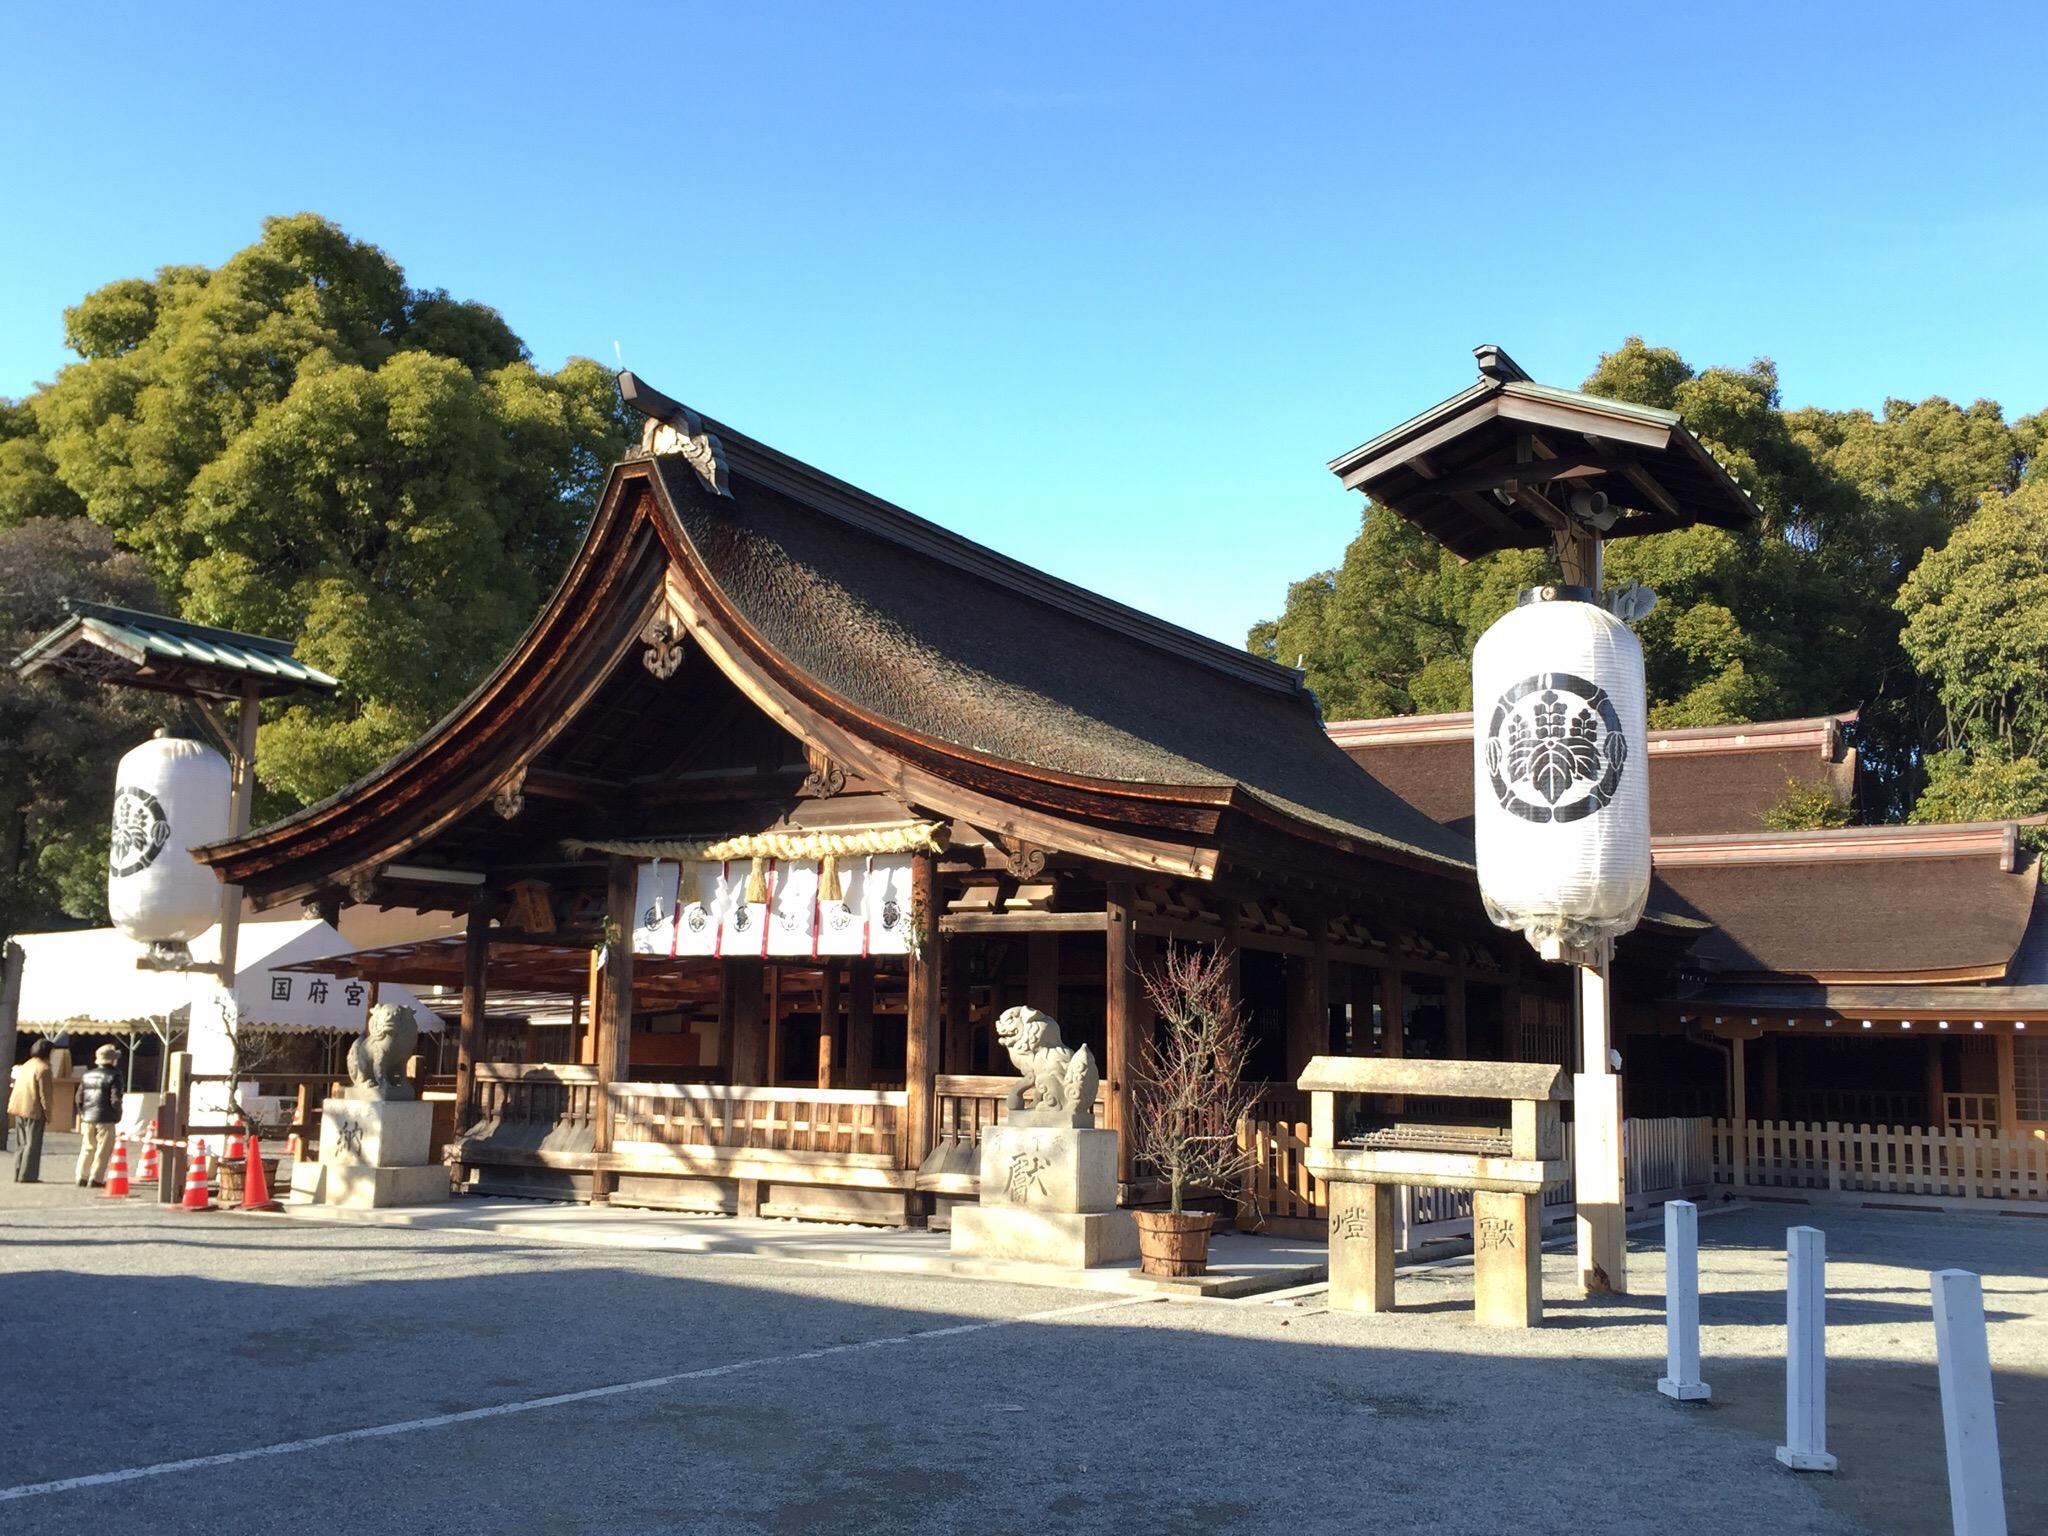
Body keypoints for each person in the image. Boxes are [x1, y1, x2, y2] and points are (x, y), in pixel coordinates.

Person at [74, 1044, 124, 1187]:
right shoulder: (115, 1075)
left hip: (88, 1117)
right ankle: (96, 1178)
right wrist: (117, 1114)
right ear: (112, 1060)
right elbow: (115, 1099)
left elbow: (79, 1098)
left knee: (88, 1147)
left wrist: (83, 1113)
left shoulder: (87, 1075)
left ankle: (81, 1176)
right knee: (103, 1149)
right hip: (106, 1117)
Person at [8, 1040, 53, 1183]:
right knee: (32, 1144)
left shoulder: (27, 1065)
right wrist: (48, 1113)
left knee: (21, 1143)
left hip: (19, 1107)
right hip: (34, 1110)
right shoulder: (44, 1068)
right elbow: (45, 1094)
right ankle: (28, 1175)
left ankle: (18, 1172)